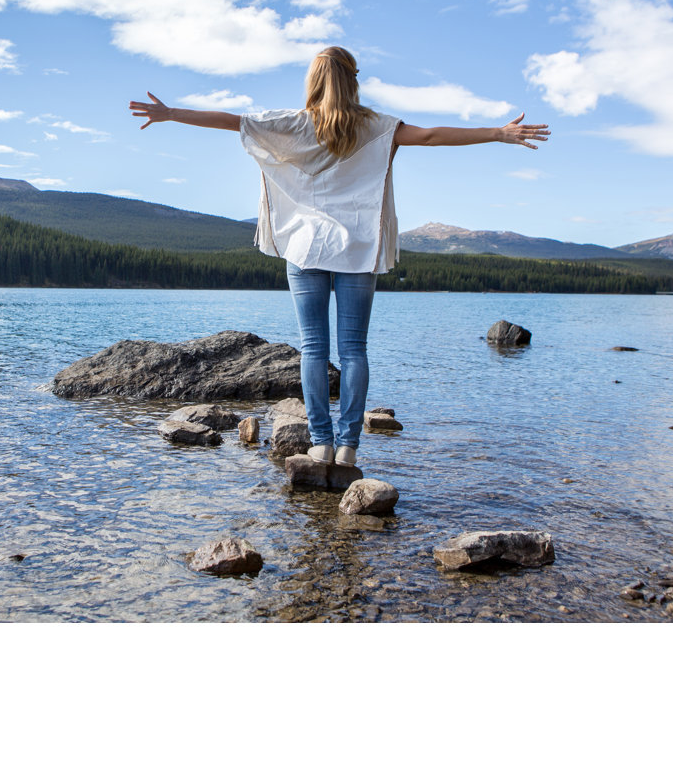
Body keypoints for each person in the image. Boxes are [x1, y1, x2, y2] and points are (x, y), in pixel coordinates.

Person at [129, 46, 550, 467]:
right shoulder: (376, 126)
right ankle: (348, 446)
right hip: (358, 249)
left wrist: (171, 113)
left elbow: (229, 121)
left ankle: (320, 442)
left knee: (313, 349)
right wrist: (497, 132)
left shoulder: (292, 124)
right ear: (353, 80)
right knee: (354, 350)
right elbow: (430, 136)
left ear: (312, 82)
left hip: (306, 247)